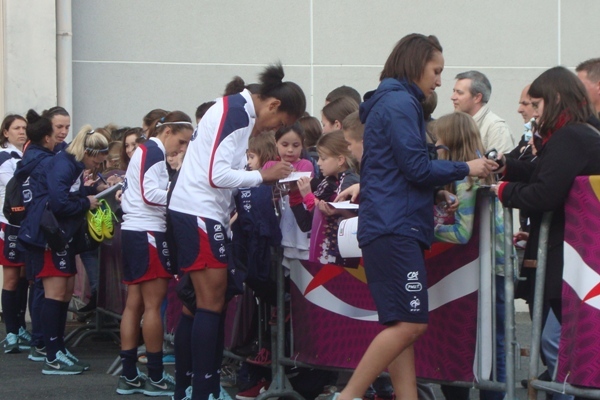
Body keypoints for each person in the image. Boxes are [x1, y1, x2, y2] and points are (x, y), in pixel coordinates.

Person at [331, 33, 495, 400]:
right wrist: (466, 167)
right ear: (417, 64)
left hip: (386, 225)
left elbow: (393, 169)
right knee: (411, 324)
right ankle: (348, 395)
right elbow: (416, 167)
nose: (439, 81)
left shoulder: (387, 103)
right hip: (395, 227)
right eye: (437, 71)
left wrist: (435, 191)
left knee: (401, 325)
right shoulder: (401, 104)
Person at [168, 64, 306, 400]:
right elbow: (217, 175)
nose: (275, 132)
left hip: (197, 209)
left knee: (203, 303)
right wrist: (263, 177)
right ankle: (201, 389)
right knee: (209, 303)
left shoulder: (233, 107)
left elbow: (218, 170)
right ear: (272, 105)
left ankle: (196, 387)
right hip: (199, 210)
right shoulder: (239, 113)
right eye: (281, 124)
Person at [491, 66, 600, 323]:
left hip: (572, 258)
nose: (534, 112)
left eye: (537, 103)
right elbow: (546, 174)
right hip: (576, 253)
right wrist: (509, 167)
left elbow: (545, 193)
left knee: (556, 341)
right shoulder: (578, 132)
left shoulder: (570, 136)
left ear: (556, 99)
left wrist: (504, 190)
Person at [116, 111, 193, 396]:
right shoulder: (153, 151)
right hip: (148, 232)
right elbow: (150, 194)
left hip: (135, 231)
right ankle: (156, 376)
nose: (182, 148)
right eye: (182, 141)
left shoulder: (145, 150)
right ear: (168, 131)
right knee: (151, 306)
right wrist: (179, 192)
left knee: (134, 304)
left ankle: (129, 374)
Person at [432, 112, 506, 400]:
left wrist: (426, 230)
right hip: (482, 269)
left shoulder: (465, 178)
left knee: (485, 341)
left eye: (439, 138)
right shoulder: (477, 172)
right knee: (490, 341)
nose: (435, 144)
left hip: (485, 270)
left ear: (449, 141)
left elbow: (461, 233)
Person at [1, 114, 29, 354]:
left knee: (23, 276)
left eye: (24, 128)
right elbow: (17, 190)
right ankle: (11, 332)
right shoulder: (4, 157)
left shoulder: (23, 156)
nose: (22, 131)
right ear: (6, 132)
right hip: (7, 225)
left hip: (24, 225)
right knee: (11, 278)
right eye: (16, 128)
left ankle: (20, 327)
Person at [451, 71, 515, 154]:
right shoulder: (455, 124)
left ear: (477, 97)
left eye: (459, 93)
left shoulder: (497, 128)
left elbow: (498, 165)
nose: (453, 97)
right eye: (454, 91)